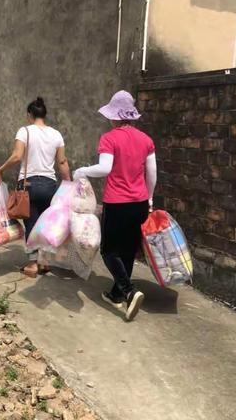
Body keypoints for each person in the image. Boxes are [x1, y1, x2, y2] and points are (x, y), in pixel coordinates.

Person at [74, 90, 157, 321]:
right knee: (128, 250)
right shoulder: (146, 140)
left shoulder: (109, 138)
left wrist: (82, 171)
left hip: (117, 203)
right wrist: (149, 198)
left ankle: (129, 291)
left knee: (109, 250)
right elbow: (152, 174)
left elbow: (105, 168)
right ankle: (116, 294)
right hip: (139, 203)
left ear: (114, 116)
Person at [0, 97, 71, 277]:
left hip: (29, 185)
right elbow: (62, 161)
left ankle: (33, 264)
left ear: (30, 115)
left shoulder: (24, 131)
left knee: (32, 225)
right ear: (45, 115)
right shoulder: (56, 134)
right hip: (50, 186)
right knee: (46, 225)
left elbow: (17, 156)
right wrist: (69, 185)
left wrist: (0, 169)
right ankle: (44, 262)